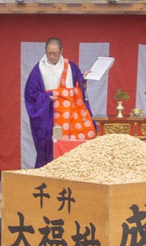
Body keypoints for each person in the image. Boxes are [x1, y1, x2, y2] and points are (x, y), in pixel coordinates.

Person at [24, 37, 95, 168]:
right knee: (52, 147)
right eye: (49, 53)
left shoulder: (70, 66)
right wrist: (46, 97)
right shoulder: (38, 70)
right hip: (51, 116)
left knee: (75, 145)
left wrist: (83, 79)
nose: (51, 56)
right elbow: (31, 94)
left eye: (55, 53)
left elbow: (78, 83)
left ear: (61, 51)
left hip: (71, 116)